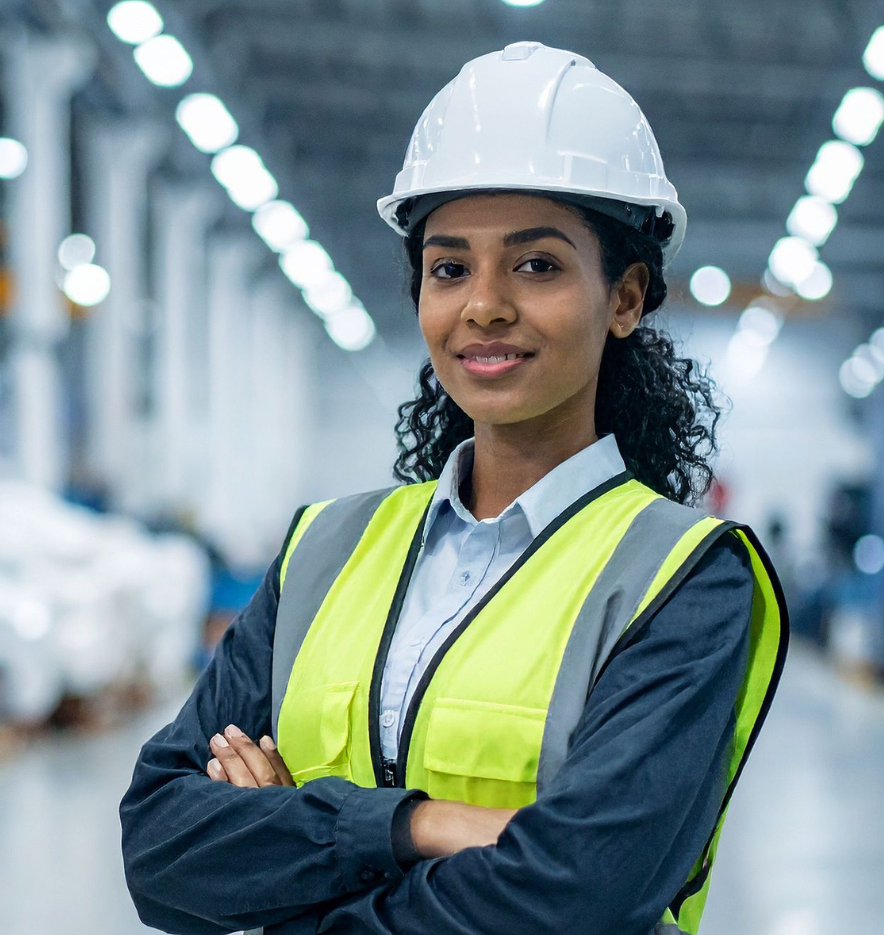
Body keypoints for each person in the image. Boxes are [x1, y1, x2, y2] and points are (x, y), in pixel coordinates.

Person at [120, 42, 788, 935]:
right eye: (448, 267)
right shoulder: (325, 548)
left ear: (625, 297)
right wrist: (416, 825)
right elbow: (161, 851)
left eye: (537, 265)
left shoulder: (684, 576)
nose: (483, 304)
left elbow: (580, 888)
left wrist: (291, 873)